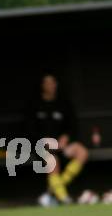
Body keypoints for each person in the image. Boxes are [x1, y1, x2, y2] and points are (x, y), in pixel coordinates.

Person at [28, 74, 88, 204]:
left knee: (82, 152)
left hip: (61, 144)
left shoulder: (64, 103)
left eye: (52, 82)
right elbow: (29, 130)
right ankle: (63, 197)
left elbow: (72, 127)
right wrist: (43, 140)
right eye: (47, 83)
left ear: (56, 84)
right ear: (42, 85)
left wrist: (65, 138)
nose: (50, 85)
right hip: (41, 146)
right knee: (52, 160)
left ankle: (54, 188)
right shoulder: (34, 105)